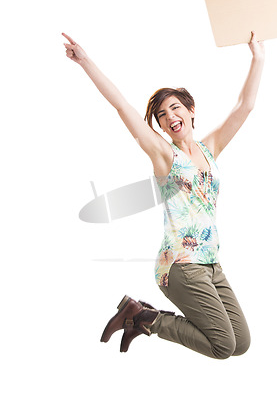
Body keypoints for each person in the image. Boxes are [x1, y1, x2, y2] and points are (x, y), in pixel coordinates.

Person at [62, 30, 265, 359]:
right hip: (180, 266)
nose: (169, 116)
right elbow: (122, 106)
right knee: (223, 346)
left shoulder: (209, 148)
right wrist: (85, 61)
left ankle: (141, 315)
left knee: (240, 344)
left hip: (211, 263)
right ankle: (145, 318)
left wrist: (258, 57)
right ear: (159, 125)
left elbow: (245, 106)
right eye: (161, 115)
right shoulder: (164, 155)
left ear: (191, 110)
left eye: (174, 108)